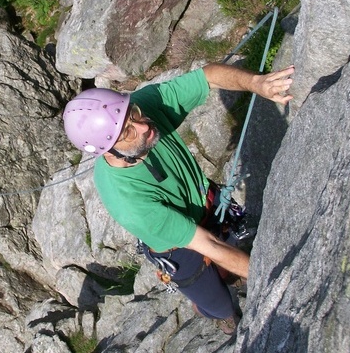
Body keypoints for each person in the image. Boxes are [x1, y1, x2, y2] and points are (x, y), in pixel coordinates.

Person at [63, 63, 294, 334]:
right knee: (218, 303)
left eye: (134, 114)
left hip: (204, 206)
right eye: (127, 132)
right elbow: (210, 245)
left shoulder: (138, 110)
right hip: (178, 248)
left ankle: (234, 276)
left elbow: (207, 78)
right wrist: (276, 279)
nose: (143, 127)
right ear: (108, 151)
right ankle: (218, 313)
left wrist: (256, 83)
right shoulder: (130, 203)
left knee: (234, 263)